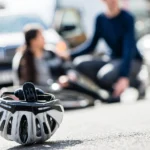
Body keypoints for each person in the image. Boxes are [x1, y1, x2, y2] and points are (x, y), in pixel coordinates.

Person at [58, 0, 144, 98]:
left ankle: (136, 83)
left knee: (106, 76)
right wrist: (70, 54)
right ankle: (109, 91)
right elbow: (91, 45)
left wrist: (124, 76)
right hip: (112, 58)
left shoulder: (127, 17)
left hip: (132, 60)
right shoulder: (100, 19)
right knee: (80, 64)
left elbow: (128, 49)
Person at [12, 24, 104, 101]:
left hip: (57, 86)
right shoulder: (22, 59)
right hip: (38, 91)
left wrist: (67, 75)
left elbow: (65, 66)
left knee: (74, 84)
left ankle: (100, 96)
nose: (44, 38)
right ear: (33, 41)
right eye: (41, 36)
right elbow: (20, 83)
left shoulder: (50, 53)